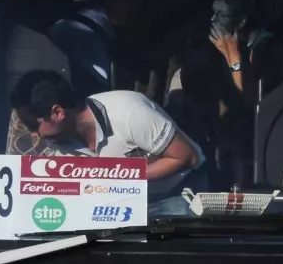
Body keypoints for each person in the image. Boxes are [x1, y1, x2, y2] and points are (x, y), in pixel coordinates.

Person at [11, 70, 206, 211]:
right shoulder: (56, 144)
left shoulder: (129, 112)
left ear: (58, 112)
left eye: (34, 126)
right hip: (124, 206)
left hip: (180, 192)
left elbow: (188, 158)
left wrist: (124, 176)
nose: (34, 136)